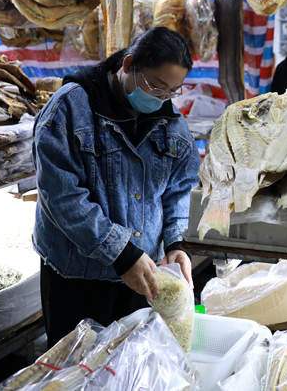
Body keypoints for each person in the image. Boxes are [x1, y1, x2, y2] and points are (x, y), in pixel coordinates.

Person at [32, 27, 201, 346]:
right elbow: (63, 198)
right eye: (155, 85)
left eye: (171, 91)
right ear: (128, 65)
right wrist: (121, 254)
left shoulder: (170, 122)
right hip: (76, 277)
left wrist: (176, 241)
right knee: (76, 370)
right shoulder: (69, 109)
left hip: (139, 274)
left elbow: (178, 187)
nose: (160, 98)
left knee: (128, 366)